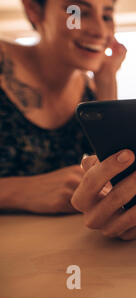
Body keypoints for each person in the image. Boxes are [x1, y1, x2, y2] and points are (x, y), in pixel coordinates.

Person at [0, 0, 126, 214]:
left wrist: (106, 82)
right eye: (78, 13)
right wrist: (19, 191)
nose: (99, 30)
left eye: (106, 16)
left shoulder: (92, 91)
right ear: (34, 10)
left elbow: (114, 175)